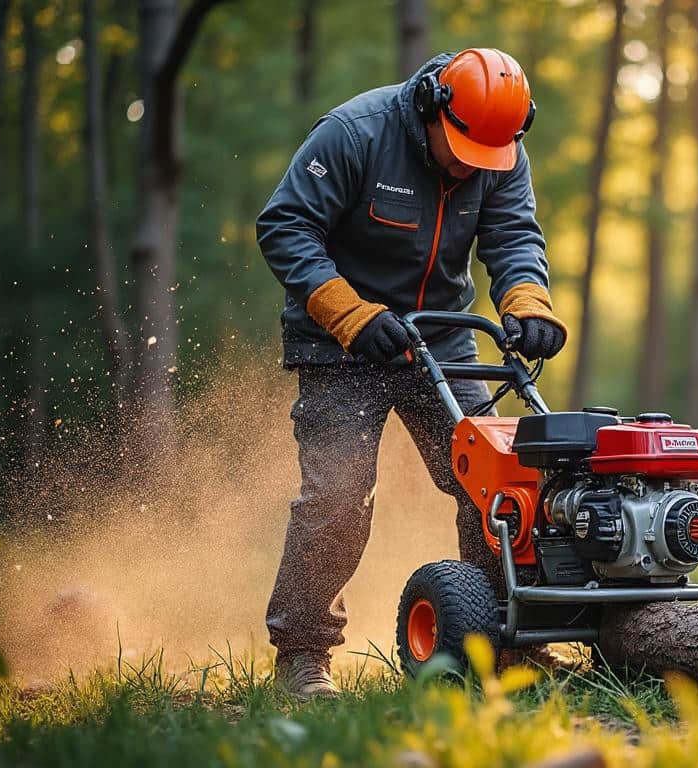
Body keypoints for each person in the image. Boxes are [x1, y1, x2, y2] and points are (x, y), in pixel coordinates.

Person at [255, 48, 567, 699]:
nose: (468, 165)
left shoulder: (499, 148)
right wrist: (349, 313)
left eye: (484, 155)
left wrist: (528, 303)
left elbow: (513, 237)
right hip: (340, 342)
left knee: (499, 485)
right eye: (458, 149)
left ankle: (504, 647)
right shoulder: (354, 133)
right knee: (338, 494)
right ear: (431, 109)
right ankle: (302, 655)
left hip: (445, 336)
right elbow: (284, 225)